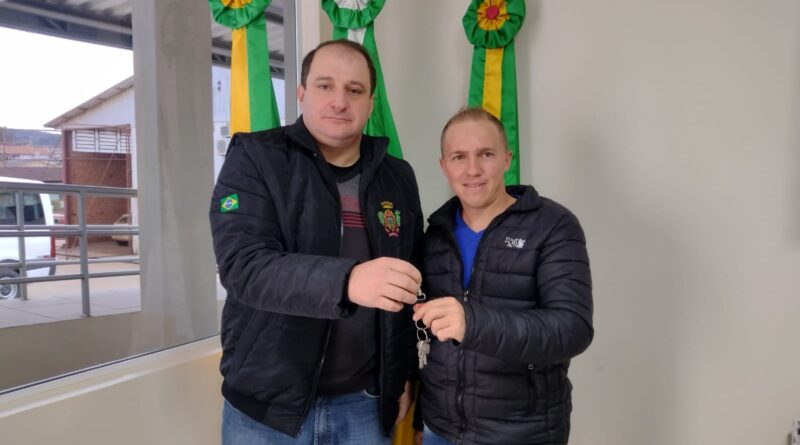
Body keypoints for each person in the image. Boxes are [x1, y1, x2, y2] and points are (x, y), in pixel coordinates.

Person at [209, 39, 424, 444]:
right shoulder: (254, 157)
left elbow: (412, 283)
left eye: (354, 90)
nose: (339, 101)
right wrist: (348, 281)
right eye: (325, 86)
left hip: (364, 405)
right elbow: (244, 267)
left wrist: (406, 375)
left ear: (371, 103)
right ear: (302, 93)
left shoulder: (397, 176)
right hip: (266, 409)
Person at [412, 108, 594, 445]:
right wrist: (422, 415)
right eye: (459, 157)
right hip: (440, 429)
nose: (472, 169)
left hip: (522, 432)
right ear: (444, 166)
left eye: (486, 154)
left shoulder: (553, 226)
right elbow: (425, 336)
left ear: (507, 159)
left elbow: (573, 329)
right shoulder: (434, 235)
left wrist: (473, 323)